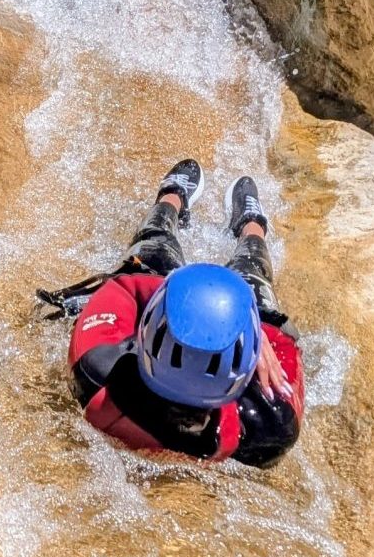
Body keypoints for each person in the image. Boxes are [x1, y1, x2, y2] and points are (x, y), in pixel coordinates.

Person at [65, 161, 305, 467]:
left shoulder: (99, 371)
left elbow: (124, 287)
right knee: (253, 273)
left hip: (143, 334)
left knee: (153, 246)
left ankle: (171, 196)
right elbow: (286, 340)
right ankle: (252, 226)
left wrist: (174, 291)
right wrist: (256, 332)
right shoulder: (270, 425)